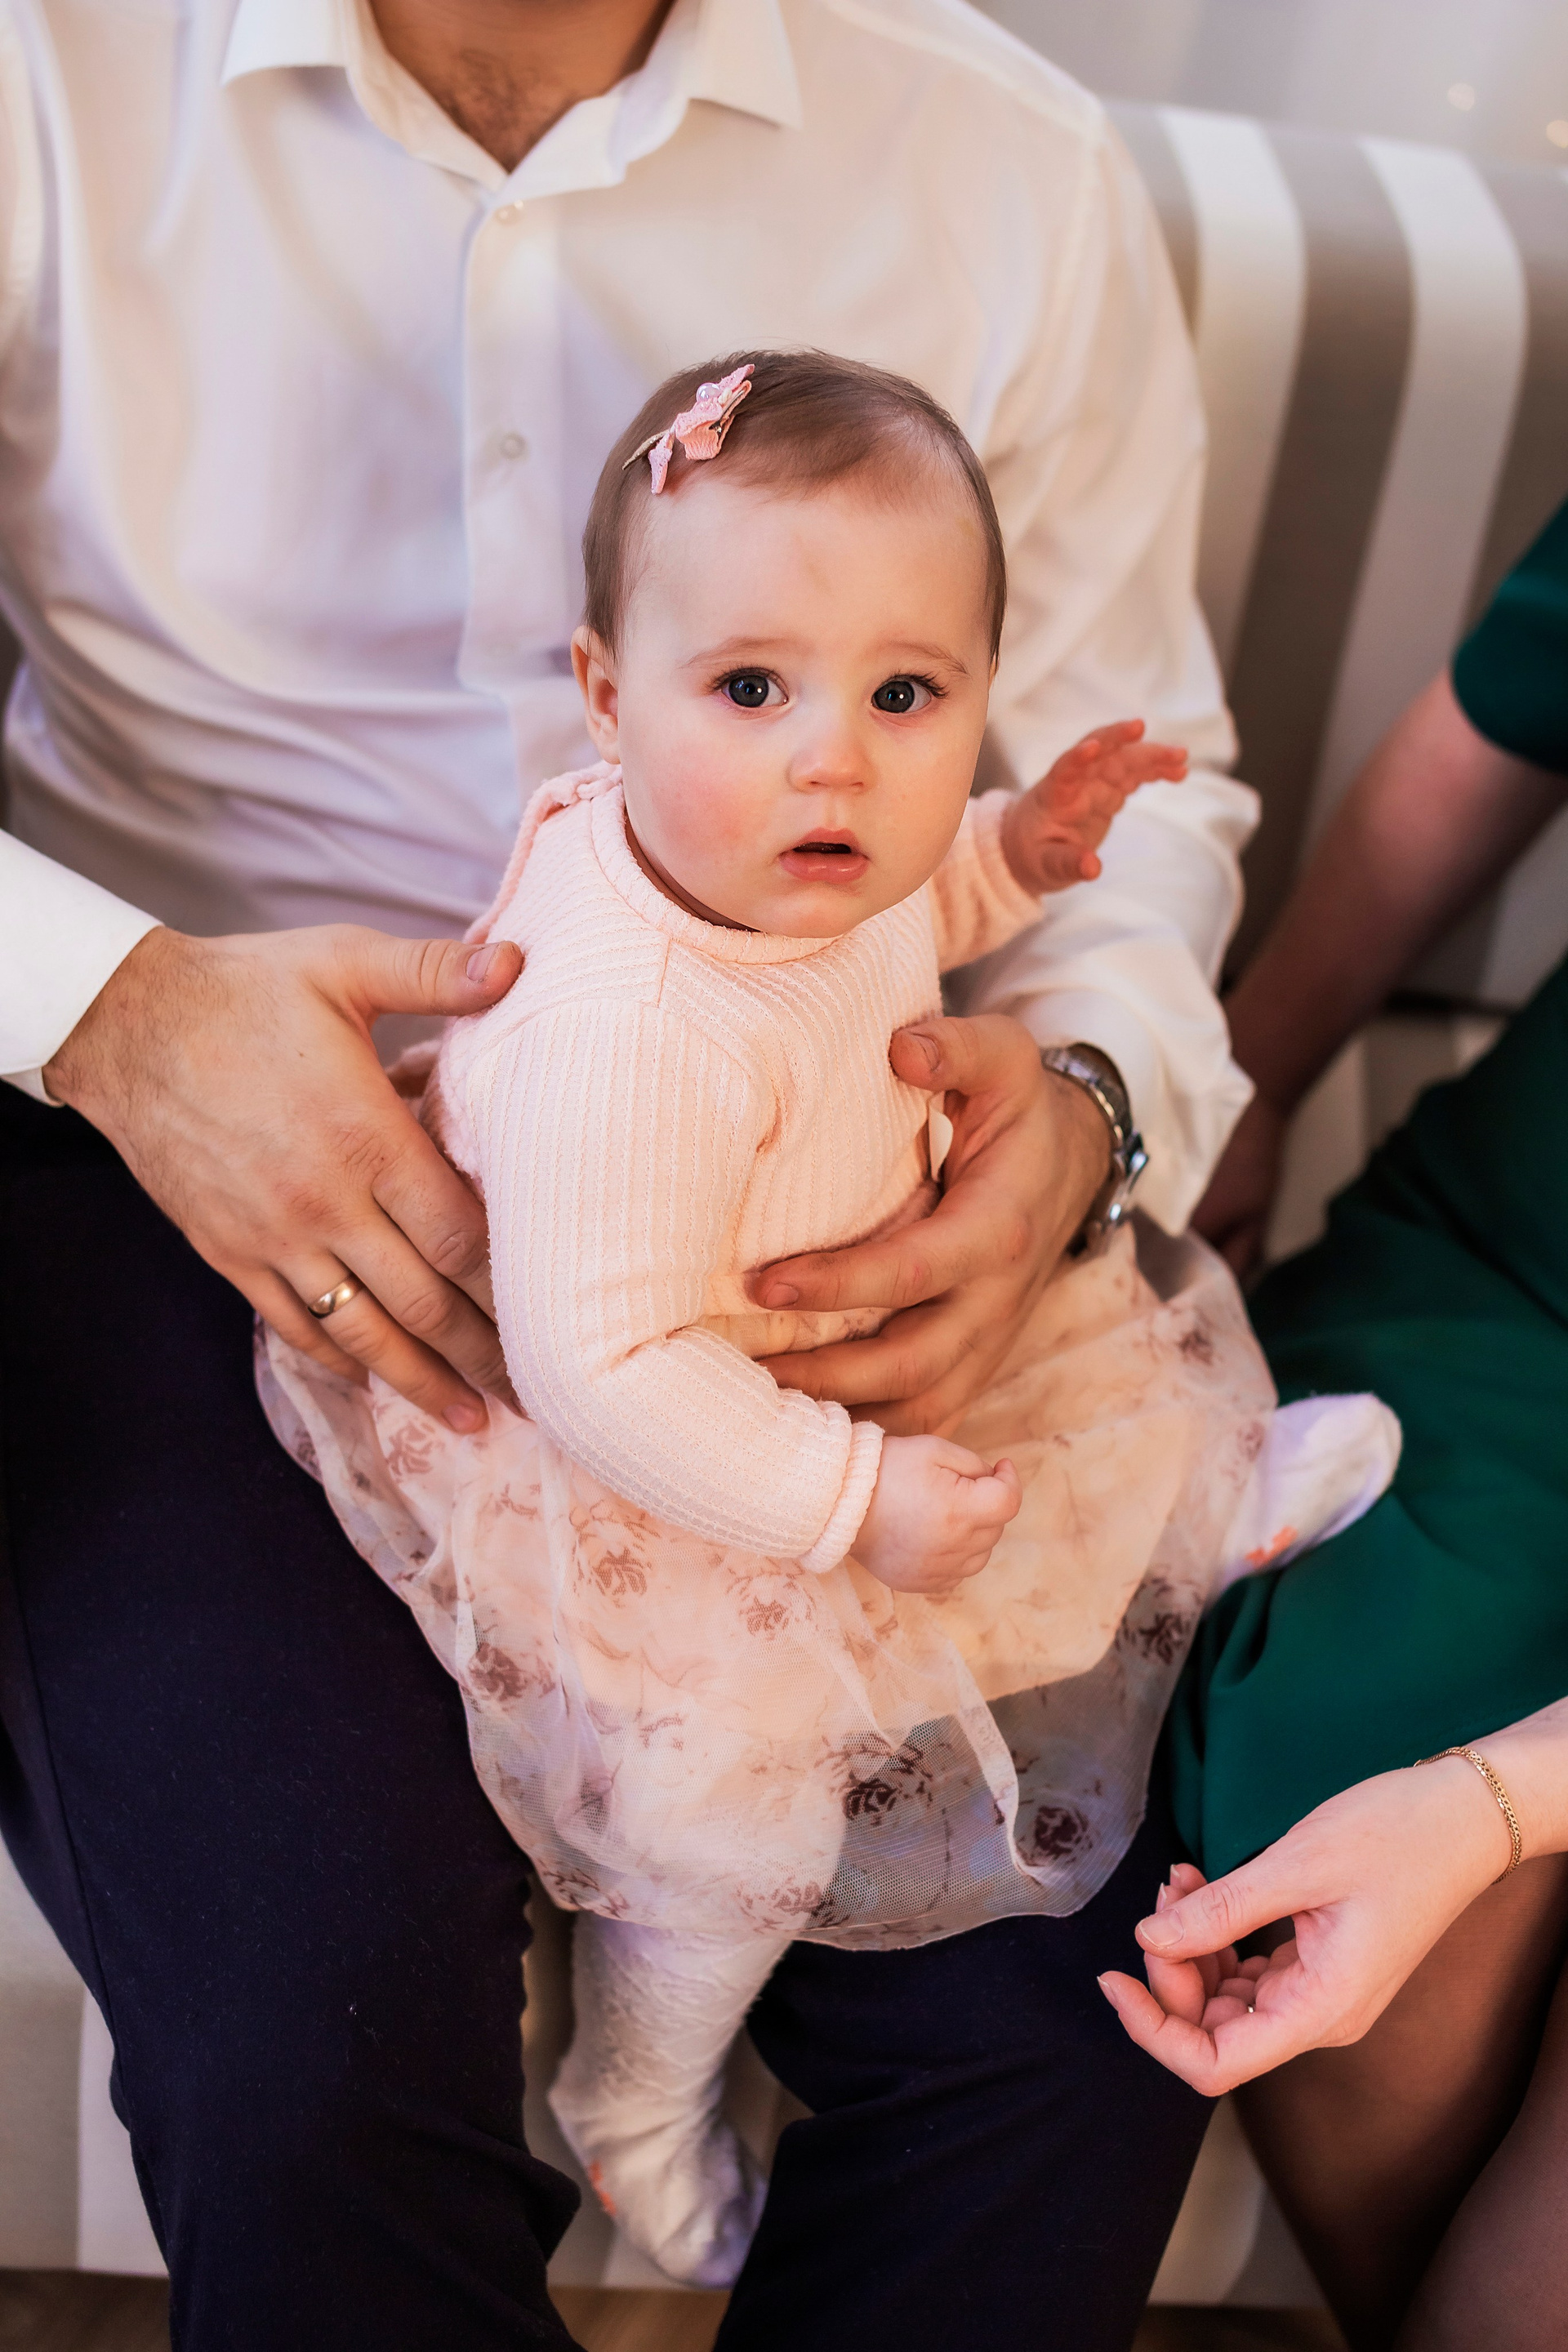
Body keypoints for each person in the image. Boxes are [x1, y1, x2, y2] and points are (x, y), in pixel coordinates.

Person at [0, 4, 1257, 2346]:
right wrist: (111, 1004)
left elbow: (1132, 790)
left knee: (1089, 2027)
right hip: (163, 1175)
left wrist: (1089, 1110)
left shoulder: (1007, 161)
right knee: (321, 2048)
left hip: (827, 1211)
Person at [261, 350, 1397, 2289]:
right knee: (737, 1824)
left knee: (1087, 1333)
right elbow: (599, 1370)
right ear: (606, 694)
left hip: (832, 1321)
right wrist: (849, 1502)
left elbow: (906, 911)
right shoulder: (631, 1034)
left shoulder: (784, 847)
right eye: (752, 689)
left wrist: (1016, 852)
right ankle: (639, 2087)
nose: (836, 763)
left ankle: (1202, 1501)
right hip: (657, 1453)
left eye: (906, 696)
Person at [1098, 497, 1568, 2352]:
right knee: (1331, 1737)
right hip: (1506, 1283)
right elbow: (1492, 734)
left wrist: (1498, 1804)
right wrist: (1254, 1078)